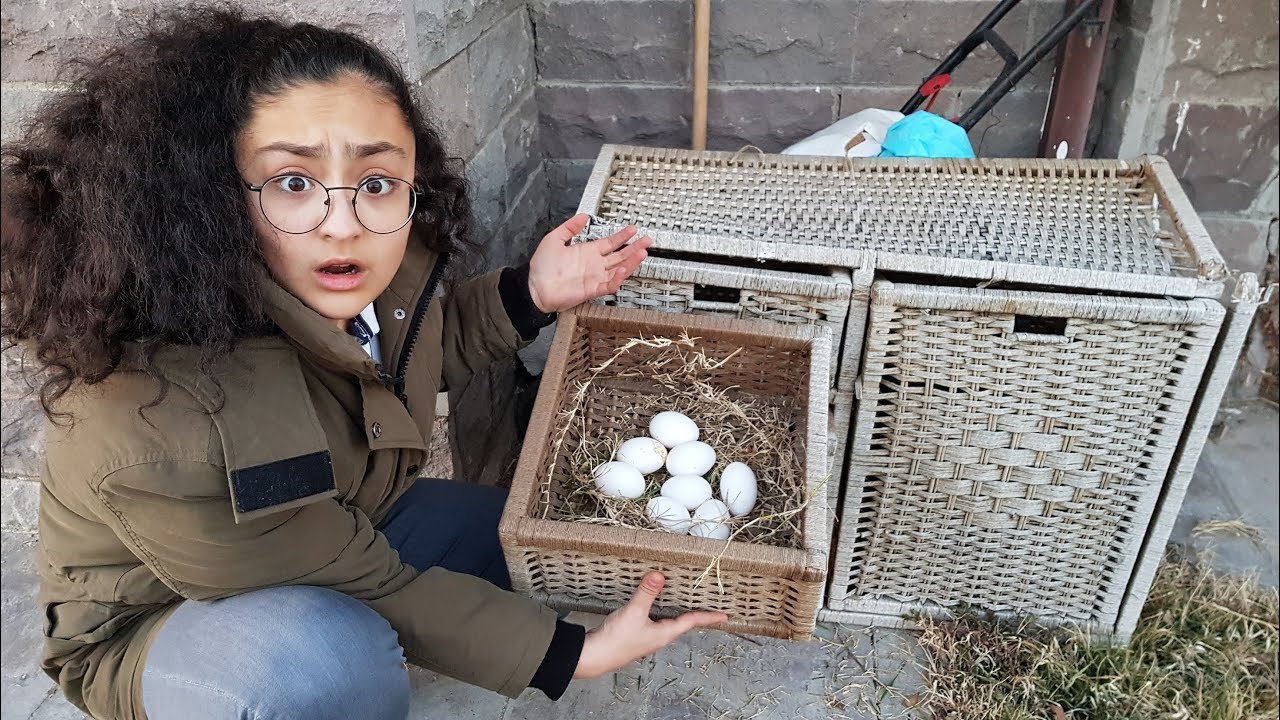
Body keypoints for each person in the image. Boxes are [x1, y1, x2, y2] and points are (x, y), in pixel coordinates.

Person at [0, 6, 727, 720]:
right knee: (330, 665)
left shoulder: (356, 279)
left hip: (344, 515)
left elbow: (420, 349)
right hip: (161, 619)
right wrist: (571, 655)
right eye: (292, 182)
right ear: (211, 196)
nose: (343, 222)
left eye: (376, 182)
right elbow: (366, 580)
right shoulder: (168, 413)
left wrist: (530, 292)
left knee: (524, 535)